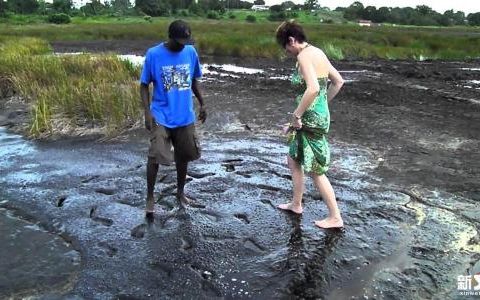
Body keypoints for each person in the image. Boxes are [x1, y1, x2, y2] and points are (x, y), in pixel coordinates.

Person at [275, 20, 345, 229]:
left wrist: (296, 117)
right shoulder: (318, 52)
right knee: (293, 158)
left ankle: (335, 217)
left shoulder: (304, 56)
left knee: (315, 170)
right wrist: (322, 107)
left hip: (308, 119)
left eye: (285, 46)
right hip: (314, 115)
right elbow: (338, 81)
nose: (286, 51)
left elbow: (313, 88)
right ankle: (296, 204)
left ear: (291, 40)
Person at [140, 20, 206, 218]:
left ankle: (180, 192)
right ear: (170, 37)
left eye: (186, 40)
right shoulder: (154, 54)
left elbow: (194, 81)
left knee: (184, 155)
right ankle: (150, 196)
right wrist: (147, 111)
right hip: (160, 114)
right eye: (179, 41)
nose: (182, 44)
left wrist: (203, 103)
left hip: (184, 115)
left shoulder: (190, 52)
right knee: (155, 155)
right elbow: (144, 85)